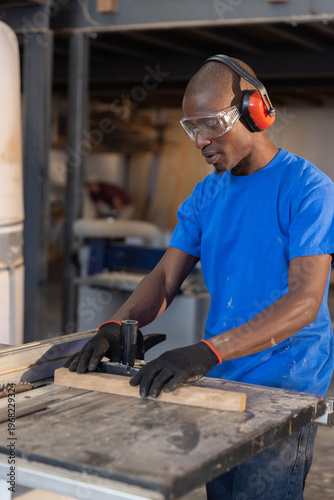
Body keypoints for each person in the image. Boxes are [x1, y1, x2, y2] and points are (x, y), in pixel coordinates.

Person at [67, 55, 334, 499]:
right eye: (191, 128)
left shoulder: (309, 190)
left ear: (256, 110)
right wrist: (116, 325)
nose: (199, 140)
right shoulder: (206, 194)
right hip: (220, 376)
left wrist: (207, 352)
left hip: (285, 382)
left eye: (210, 123)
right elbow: (166, 277)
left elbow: (305, 302)